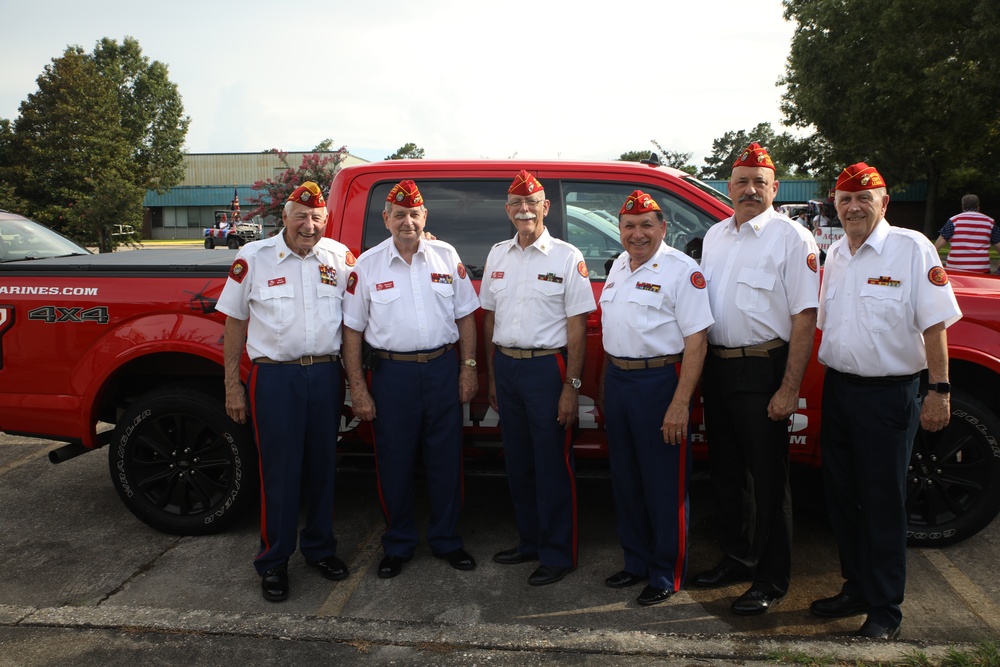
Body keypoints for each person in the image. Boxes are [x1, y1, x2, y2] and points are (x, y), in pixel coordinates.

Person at [812, 163, 961, 640]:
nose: (853, 207)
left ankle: (885, 610)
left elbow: (935, 324)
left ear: (884, 202)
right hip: (839, 390)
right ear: (835, 203)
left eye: (864, 199)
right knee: (842, 499)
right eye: (844, 199)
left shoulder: (911, 249)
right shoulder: (835, 253)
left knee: (882, 504)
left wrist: (939, 390)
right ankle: (855, 587)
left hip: (889, 395)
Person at [695, 143, 820, 616]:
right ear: (728, 187)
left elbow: (804, 318)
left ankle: (771, 578)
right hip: (719, 365)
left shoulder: (792, 239)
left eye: (759, 182)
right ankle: (737, 556)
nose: (749, 190)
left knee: (769, 479)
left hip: (764, 367)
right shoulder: (715, 236)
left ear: (775, 188)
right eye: (741, 181)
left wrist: (789, 388)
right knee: (729, 472)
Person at [217, 181, 355, 602]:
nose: (308, 225)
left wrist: (428, 240)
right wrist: (232, 387)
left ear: (325, 220)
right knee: (279, 473)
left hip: (326, 375)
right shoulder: (253, 258)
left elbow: (373, 289)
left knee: (322, 468)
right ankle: (274, 561)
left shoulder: (341, 259)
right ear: (285, 217)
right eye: (301, 216)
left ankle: (319, 549)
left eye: (316, 218)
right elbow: (234, 323)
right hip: (276, 379)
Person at [342, 179, 479, 579]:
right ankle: (398, 544)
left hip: (441, 369)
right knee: (394, 463)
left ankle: (447, 540)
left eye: (414, 214)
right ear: (386, 219)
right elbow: (352, 331)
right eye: (399, 215)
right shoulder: (366, 265)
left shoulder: (445, 254)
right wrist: (358, 388)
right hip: (391, 375)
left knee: (446, 460)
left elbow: (466, 315)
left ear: (425, 217)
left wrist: (468, 368)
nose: (407, 221)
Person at [480, 169, 597, 586]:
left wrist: (572, 388)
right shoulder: (498, 254)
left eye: (532, 204)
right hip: (507, 367)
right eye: (516, 204)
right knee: (519, 462)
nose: (524, 210)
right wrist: (492, 378)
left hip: (548, 369)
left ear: (545, 208)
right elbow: (490, 318)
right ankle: (529, 540)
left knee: (551, 465)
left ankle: (557, 553)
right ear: (507, 210)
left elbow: (578, 327)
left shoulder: (567, 257)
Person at [599, 190, 713, 606]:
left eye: (647, 224)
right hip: (620, 383)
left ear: (664, 228)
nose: (637, 233)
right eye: (629, 225)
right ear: (620, 229)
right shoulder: (617, 269)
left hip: (660, 383)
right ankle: (636, 562)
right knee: (626, 481)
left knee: (664, 484)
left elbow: (697, 342)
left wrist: (680, 402)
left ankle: (666, 572)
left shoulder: (682, 271)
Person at [934, 194, 999, 274]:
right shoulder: (990, 222)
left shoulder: (954, 221)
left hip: (955, 268)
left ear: (962, 206)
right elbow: (998, 244)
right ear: (978, 206)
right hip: (981, 269)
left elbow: (939, 242)